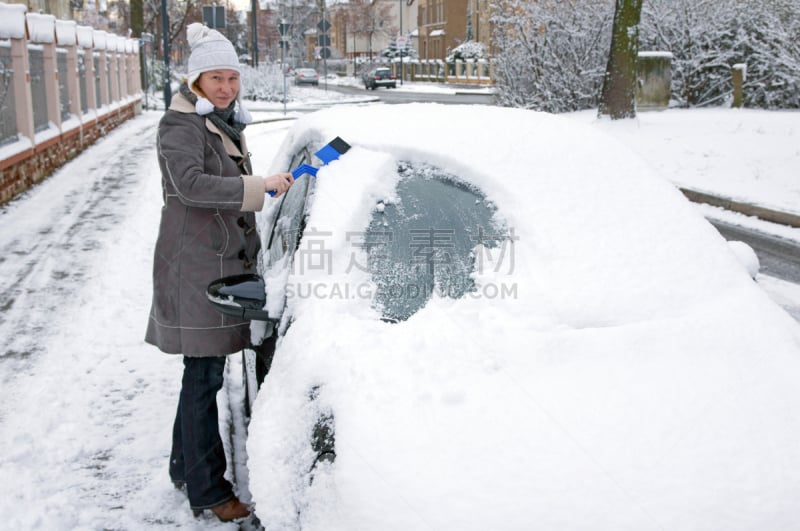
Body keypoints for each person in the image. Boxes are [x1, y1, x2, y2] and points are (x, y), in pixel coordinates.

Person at [144, 22, 293, 522]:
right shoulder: (180, 125)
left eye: (232, 77)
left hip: (217, 266)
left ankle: (185, 467)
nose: (226, 86)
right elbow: (189, 185)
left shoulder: (224, 120)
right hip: (194, 267)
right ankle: (209, 491)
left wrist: (268, 187)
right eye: (215, 78)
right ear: (196, 81)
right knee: (203, 374)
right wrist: (258, 186)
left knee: (201, 375)